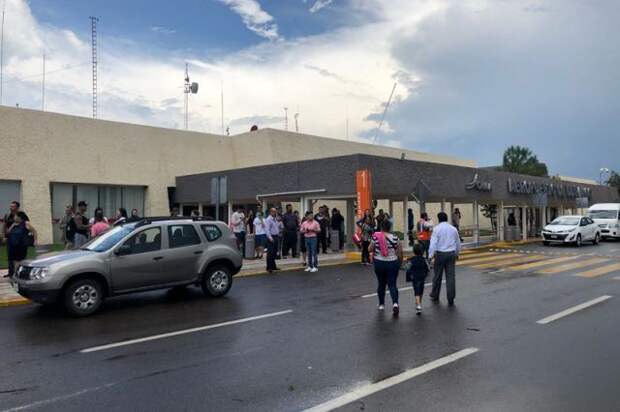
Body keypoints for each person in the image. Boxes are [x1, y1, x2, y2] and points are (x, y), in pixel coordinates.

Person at [369, 219, 403, 316]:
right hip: (392, 263)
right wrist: (400, 263)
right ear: (390, 227)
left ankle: (381, 304)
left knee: (381, 283)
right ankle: (395, 304)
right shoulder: (395, 238)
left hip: (379, 263)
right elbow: (399, 251)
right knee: (392, 284)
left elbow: (370, 248)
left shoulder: (375, 237)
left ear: (381, 227)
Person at [428, 212, 461, 306]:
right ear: (446, 218)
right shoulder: (453, 229)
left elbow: (433, 244)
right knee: (450, 277)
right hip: (451, 254)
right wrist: (457, 253)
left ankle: (435, 295)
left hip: (440, 254)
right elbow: (457, 242)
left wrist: (430, 256)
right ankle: (451, 298)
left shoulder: (436, 229)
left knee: (437, 276)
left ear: (439, 219)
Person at [406, 243, 430, 314]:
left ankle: (418, 305)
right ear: (422, 251)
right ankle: (419, 303)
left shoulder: (411, 260)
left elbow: (407, 267)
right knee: (421, 290)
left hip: (415, 277)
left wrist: (409, 274)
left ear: (413, 251)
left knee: (416, 291)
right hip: (422, 277)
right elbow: (428, 268)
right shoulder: (424, 259)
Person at [265, 208, 281, 273]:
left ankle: (273, 266)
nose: (275, 213)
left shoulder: (275, 219)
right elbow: (267, 229)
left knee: (274, 252)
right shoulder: (268, 219)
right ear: (270, 212)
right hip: (271, 237)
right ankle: (269, 267)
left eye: (275, 212)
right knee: (270, 253)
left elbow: (276, 227)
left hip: (276, 236)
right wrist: (270, 238)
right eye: (274, 212)